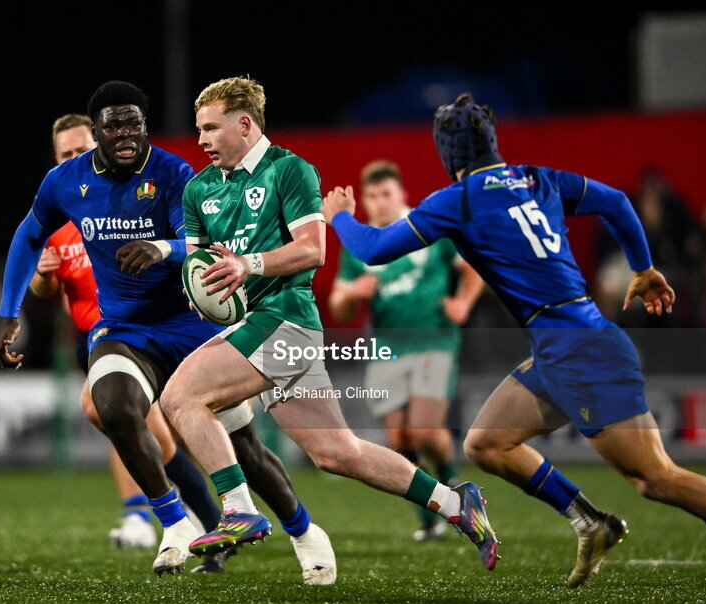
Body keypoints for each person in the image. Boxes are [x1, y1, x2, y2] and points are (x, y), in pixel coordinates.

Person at [322, 93, 706, 604]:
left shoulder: (458, 199)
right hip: (563, 344)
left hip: (581, 350)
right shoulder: (537, 177)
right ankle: (590, 521)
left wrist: (339, 216)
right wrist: (643, 268)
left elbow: (373, 249)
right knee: (486, 444)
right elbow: (616, 203)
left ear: (449, 154)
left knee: (655, 478)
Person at [0, 82, 336, 583]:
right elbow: (29, 234)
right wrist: (9, 309)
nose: (126, 134)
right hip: (125, 328)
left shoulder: (176, 173)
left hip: (191, 325)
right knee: (110, 404)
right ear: (98, 133)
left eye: (134, 123)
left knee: (246, 448)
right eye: (114, 125)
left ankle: (304, 531)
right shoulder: (65, 182)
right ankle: (175, 520)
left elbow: (198, 244)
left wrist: (162, 248)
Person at [158, 76, 500, 571]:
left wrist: (247, 265)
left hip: (285, 321)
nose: (202, 140)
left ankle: (237, 510)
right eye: (199, 130)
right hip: (258, 325)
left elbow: (313, 250)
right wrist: (200, 291)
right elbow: (198, 264)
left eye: (212, 128)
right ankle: (455, 503)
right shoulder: (198, 189)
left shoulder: (290, 171)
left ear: (246, 124)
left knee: (180, 397)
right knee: (339, 453)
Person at [28, 113, 223, 554]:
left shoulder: (129, 202)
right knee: (129, 425)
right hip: (93, 339)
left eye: (81, 149)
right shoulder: (59, 215)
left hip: (141, 334)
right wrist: (41, 277)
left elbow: (186, 245)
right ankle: (191, 518)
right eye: (65, 154)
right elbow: (46, 289)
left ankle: (180, 517)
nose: (75, 159)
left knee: (125, 418)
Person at [328, 160, 484, 541]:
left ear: (401, 195)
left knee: (425, 430)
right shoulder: (359, 242)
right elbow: (338, 306)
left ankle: (458, 492)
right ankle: (431, 514)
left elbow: (473, 268)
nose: (380, 202)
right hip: (386, 346)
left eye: (387, 194)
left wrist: (463, 302)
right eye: (373, 196)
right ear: (364, 200)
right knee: (399, 440)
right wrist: (350, 293)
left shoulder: (425, 228)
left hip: (434, 338)